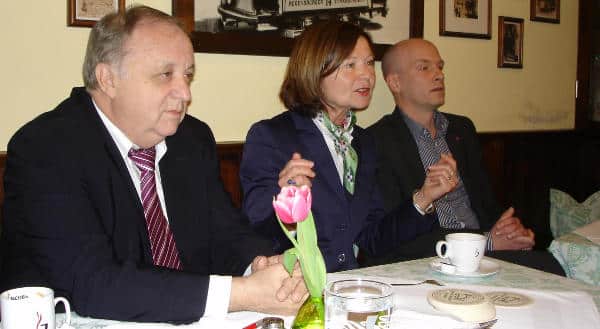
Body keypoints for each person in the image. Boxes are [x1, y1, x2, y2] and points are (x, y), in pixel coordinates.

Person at [0, 6, 306, 324]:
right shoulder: (47, 148)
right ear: (108, 79)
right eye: (165, 75)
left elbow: (228, 234)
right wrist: (242, 292)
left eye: (187, 75)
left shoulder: (191, 138)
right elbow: (93, 284)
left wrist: (264, 267)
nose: (185, 92)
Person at [239, 21, 435, 273]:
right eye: (350, 65)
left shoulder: (363, 142)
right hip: (297, 286)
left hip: (352, 283)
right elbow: (254, 231)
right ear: (315, 70)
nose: (366, 75)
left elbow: (372, 238)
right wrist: (287, 200)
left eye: (369, 62)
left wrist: (423, 198)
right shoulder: (272, 136)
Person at [366, 39, 564, 274]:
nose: (439, 75)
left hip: (486, 252)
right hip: (432, 260)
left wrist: (510, 231)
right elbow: (394, 236)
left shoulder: (461, 129)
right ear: (395, 82)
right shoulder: (377, 142)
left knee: (554, 268)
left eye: (440, 66)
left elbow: (485, 205)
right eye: (424, 67)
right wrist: (487, 242)